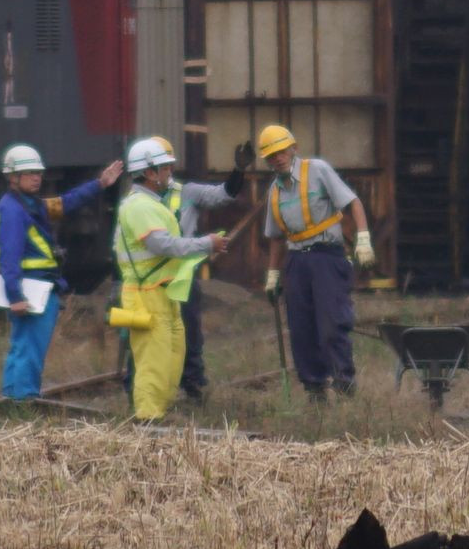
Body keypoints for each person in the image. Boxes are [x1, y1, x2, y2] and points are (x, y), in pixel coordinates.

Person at [111, 135, 232, 422]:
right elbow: (163, 245)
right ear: (149, 173)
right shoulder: (140, 206)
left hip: (163, 292)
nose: (169, 172)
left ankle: (159, 413)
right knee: (153, 360)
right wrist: (206, 243)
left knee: (171, 356)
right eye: (165, 168)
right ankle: (148, 419)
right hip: (146, 295)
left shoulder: (150, 203)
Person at [0, 144, 117, 401]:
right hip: (32, 290)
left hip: (37, 287)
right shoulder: (14, 210)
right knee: (30, 347)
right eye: (29, 173)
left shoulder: (29, 205)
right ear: (13, 177)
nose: (37, 177)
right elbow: (9, 258)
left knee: (23, 346)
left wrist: (99, 184)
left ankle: (13, 398)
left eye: (38, 172)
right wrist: (15, 296)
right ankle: (24, 400)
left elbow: (66, 203)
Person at [253, 123, 372, 399]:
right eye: (271, 156)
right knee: (301, 328)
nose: (278, 158)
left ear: (294, 148)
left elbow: (352, 202)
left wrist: (364, 239)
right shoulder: (274, 192)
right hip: (296, 261)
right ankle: (314, 388)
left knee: (332, 323)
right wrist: (273, 275)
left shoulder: (317, 170)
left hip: (327, 256)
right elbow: (276, 237)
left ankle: (344, 382)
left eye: (282, 151)